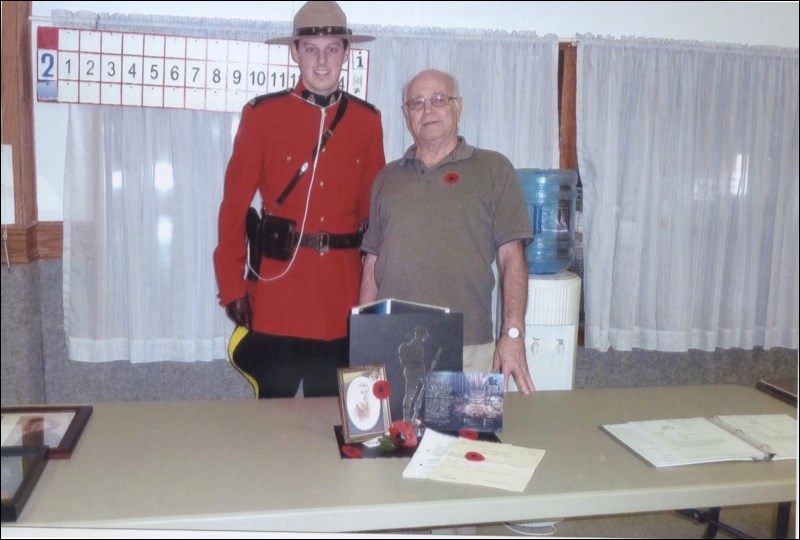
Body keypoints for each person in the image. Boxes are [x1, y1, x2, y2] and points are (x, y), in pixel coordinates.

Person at [214, 1, 386, 398]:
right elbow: (233, 208)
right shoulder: (262, 114)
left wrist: (373, 296)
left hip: (343, 299)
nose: (322, 60)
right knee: (272, 426)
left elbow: (374, 216)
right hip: (279, 296)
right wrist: (233, 286)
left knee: (333, 419)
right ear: (295, 51)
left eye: (332, 48)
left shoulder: (366, 120)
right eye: (311, 48)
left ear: (347, 52)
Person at [359, 69, 535, 394]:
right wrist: (363, 342)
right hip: (393, 346)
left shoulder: (494, 169)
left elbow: (512, 257)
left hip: (467, 348)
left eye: (439, 100)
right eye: (417, 103)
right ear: (406, 114)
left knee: (465, 445)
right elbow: (372, 262)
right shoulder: (386, 178)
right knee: (390, 444)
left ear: (458, 107)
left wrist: (512, 335)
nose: (428, 110)